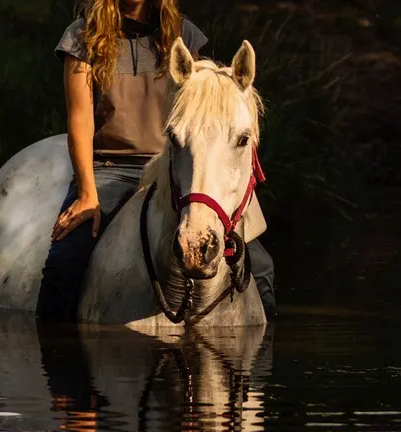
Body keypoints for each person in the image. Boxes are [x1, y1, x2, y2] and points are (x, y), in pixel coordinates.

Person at [36, 0, 275, 322]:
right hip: (112, 166)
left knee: (260, 266)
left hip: (177, 162)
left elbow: (203, 114)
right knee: (65, 262)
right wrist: (87, 194)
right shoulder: (82, 36)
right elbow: (80, 121)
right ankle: (57, 354)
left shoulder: (182, 34)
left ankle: (261, 359)